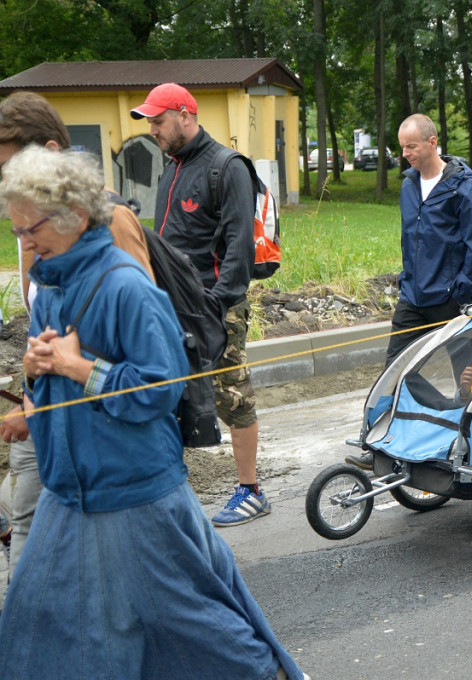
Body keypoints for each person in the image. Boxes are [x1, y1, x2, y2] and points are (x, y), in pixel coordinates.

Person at [0, 146, 304, 679]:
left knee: (195, 627)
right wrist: (33, 376)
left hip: (135, 494)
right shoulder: (49, 286)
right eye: (15, 230)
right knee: (37, 625)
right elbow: (51, 380)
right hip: (69, 494)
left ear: (72, 216)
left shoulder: (125, 286)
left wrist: (79, 369)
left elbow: (160, 390)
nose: (22, 243)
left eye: (32, 229)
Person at [0, 91, 155, 578]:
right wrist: (33, 386)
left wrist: (66, 375)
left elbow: (141, 339)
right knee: (27, 519)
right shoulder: (32, 228)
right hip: (49, 408)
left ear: (48, 153)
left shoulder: (110, 221)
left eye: (7, 164)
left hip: (103, 427)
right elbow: (49, 319)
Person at [131, 83, 267, 527]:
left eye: (158, 120)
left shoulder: (226, 168)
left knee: (233, 396)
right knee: (172, 394)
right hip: (169, 304)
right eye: (149, 121)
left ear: (186, 114)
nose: (153, 129)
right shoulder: (170, 168)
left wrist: (215, 303)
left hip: (214, 306)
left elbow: (239, 248)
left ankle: (251, 491)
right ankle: (174, 488)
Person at [347, 113, 472, 469]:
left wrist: (460, 292)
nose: (405, 154)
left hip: (451, 302)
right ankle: (380, 444)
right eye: (402, 147)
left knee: (470, 380)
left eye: (411, 146)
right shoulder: (409, 185)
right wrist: (407, 280)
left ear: (432, 142)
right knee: (394, 374)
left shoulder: (463, 188)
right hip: (412, 299)